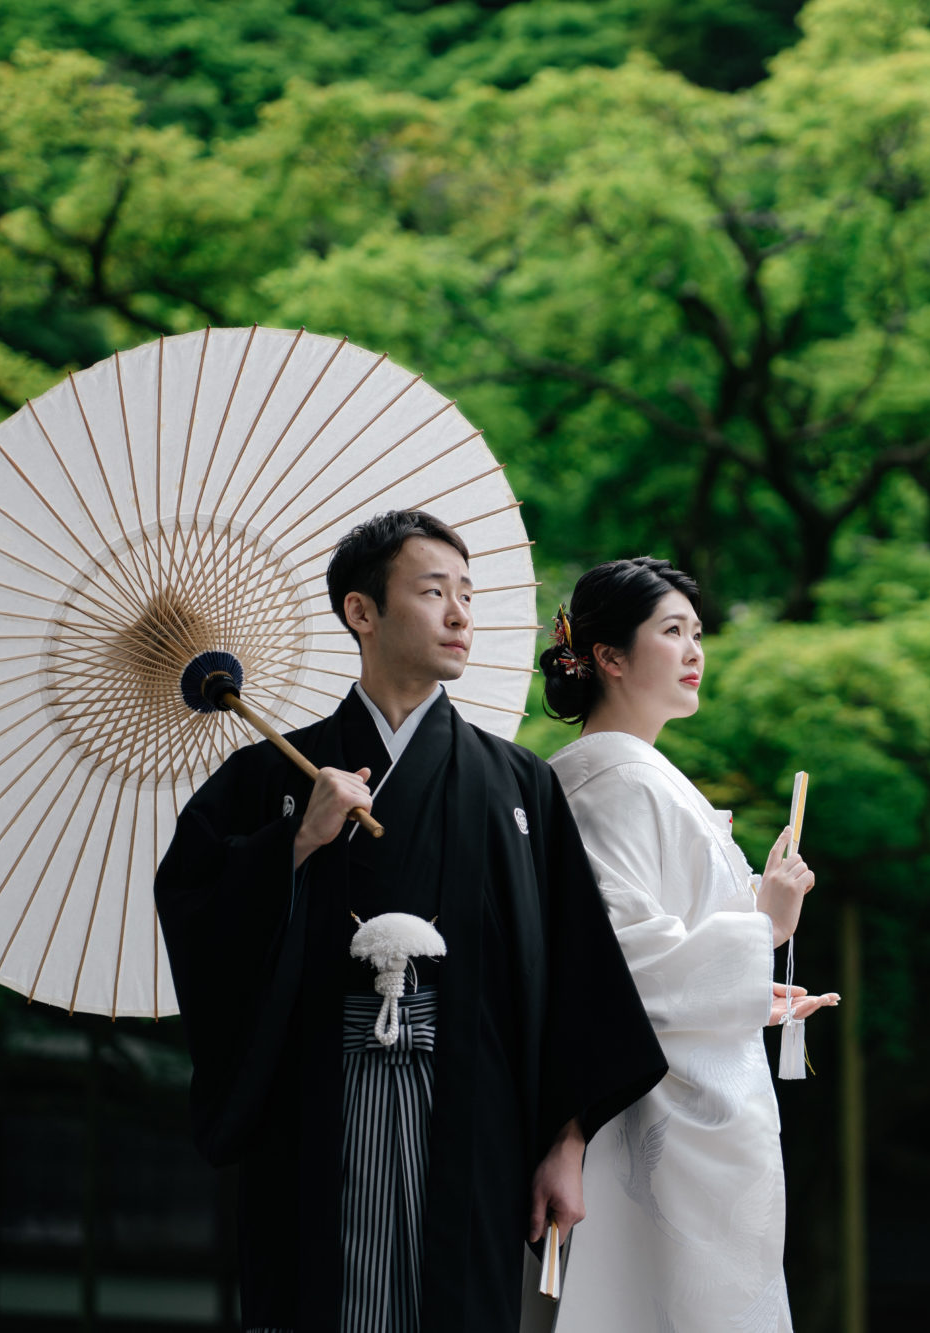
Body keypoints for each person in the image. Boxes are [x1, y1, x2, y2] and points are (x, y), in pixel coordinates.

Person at [154, 511, 666, 1333]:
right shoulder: (266, 780)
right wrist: (296, 840)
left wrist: (566, 1143)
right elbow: (198, 913)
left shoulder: (519, 786)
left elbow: (581, 975)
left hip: (473, 1117)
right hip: (313, 1110)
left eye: (467, 594)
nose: (460, 614)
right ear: (361, 611)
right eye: (433, 592)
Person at [541, 557, 838, 1333]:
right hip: (656, 1115)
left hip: (702, 1106)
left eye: (698, 632)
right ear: (608, 656)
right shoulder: (610, 782)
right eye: (672, 631)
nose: (695, 650)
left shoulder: (645, 777)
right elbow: (624, 962)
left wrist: (747, 988)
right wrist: (764, 926)